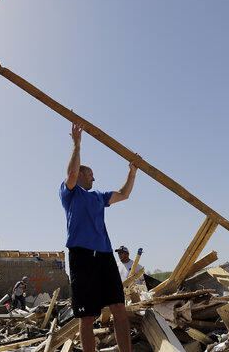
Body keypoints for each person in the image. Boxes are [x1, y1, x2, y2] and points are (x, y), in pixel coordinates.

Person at [59, 122, 139, 352]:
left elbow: (124, 194)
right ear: (83, 174)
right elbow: (72, 173)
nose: (94, 179)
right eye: (91, 175)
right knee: (87, 316)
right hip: (81, 256)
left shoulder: (98, 196)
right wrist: (76, 144)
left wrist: (132, 172)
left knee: (119, 308)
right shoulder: (70, 193)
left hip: (104, 255)